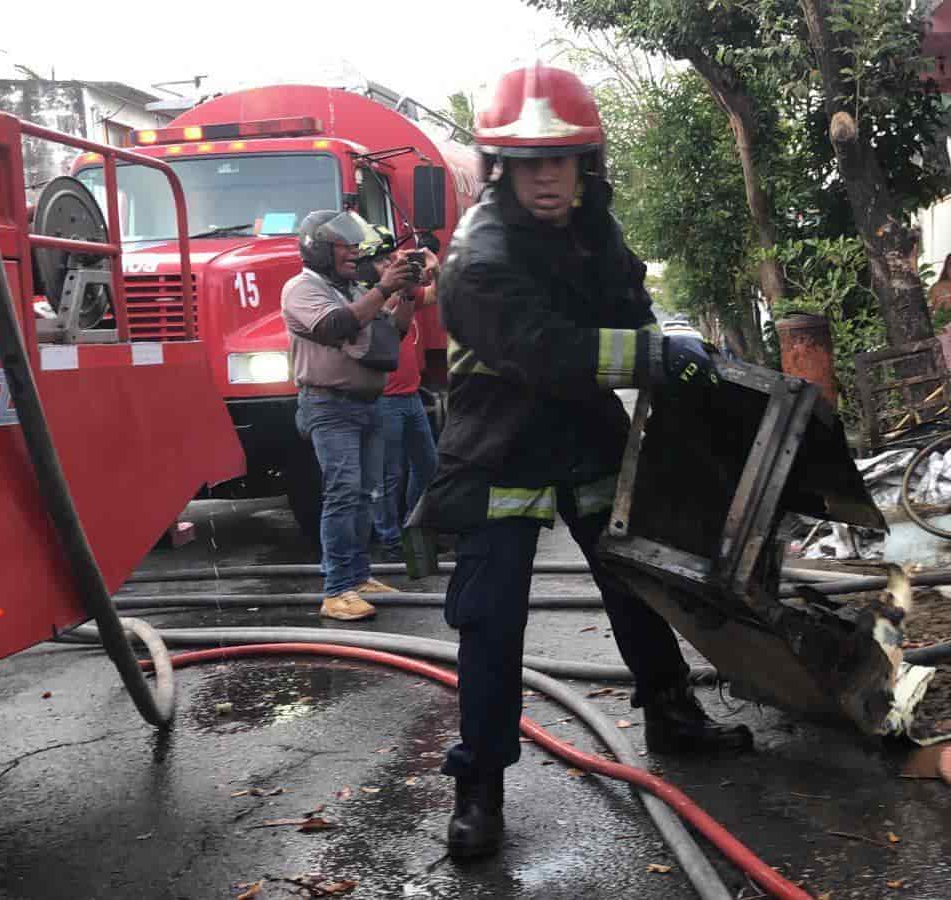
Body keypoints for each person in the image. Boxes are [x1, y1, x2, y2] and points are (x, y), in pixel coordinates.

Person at [408, 62, 754, 859]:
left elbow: (629, 307)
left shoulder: (596, 227)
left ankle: (670, 713)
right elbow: (551, 350)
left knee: (638, 585)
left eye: (559, 160)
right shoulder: (477, 255)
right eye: (529, 163)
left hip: (584, 434)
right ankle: (480, 790)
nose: (546, 179)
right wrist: (655, 354)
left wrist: (669, 355)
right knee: (492, 625)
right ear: (501, 166)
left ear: (585, 161)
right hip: (501, 445)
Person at [282, 209, 419, 621]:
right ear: (320, 249)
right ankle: (337, 589)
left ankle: (357, 576)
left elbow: (390, 332)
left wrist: (408, 294)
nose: (354, 252)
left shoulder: (349, 288)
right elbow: (336, 327)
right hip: (330, 406)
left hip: (365, 404)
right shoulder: (302, 289)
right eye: (345, 246)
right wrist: (382, 289)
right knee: (343, 495)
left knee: (364, 494)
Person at [358, 228, 441, 562]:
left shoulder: (404, 292)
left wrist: (435, 267)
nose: (388, 264)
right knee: (389, 474)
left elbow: (438, 294)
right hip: (385, 399)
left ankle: (411, 525)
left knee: (427, 467)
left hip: (410, 397)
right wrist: (399, 276)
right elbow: (384, 308)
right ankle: (389, 540)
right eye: (381, 260)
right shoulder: (368, 296)